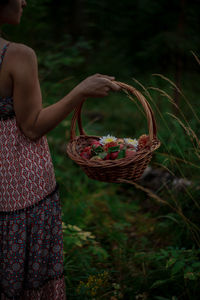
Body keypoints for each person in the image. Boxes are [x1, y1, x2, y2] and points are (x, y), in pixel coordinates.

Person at [0, 0, 120, 299]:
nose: (24, 1)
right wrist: (80, 91)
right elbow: (31, 127)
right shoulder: (16, 55)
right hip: (18, 191)